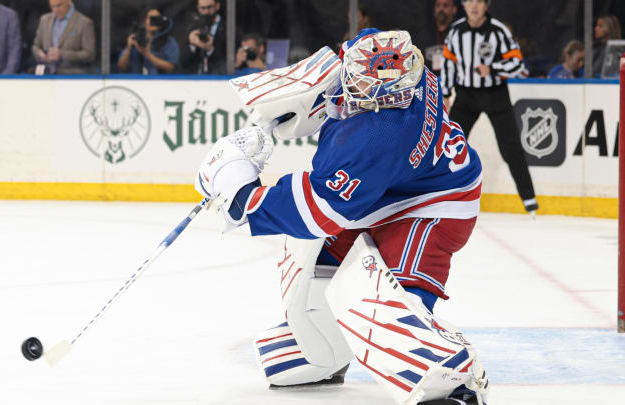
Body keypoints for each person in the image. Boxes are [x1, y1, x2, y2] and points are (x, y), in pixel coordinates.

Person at [195, 29, 489, 405]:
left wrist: (241, 198)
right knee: (311, 260)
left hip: (437, 202)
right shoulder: (395, 59)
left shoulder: (379, 134)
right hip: (395, 185)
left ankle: (450, 381)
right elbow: (334, 66)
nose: (372, 95)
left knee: (386, 302)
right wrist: (277, 114)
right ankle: (322, 348)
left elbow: (316, 210)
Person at [441, 0, 538, 214]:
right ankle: (440, 195)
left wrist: (493, 68)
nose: (474, 6)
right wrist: (446, 93)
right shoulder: (456, 31)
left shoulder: (498, 31)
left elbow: (518, 64)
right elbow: (448, 63)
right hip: (466, 95)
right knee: (449, 145)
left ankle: (529, 199)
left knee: (510, 147)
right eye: (470, 1)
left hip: (495, 95)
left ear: (486, 6)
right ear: (464, 6)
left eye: (479, 2)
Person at [32, 0, 95, 74]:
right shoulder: (44, 20)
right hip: (47, 75)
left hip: (72, 76)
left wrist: (62, 54)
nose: (55, 10)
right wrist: (40, 54)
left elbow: (89, 54)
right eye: (52, 6)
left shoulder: (84, 23)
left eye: (59, 5)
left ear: (68, 1)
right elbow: (36, 46)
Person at [117, 6, 179, 75]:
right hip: (135, 83)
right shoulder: (135, 38)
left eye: (156, 19)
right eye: (152, 18)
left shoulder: (168, 41)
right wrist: (128, 49)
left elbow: (171, 68)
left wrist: (147, 54)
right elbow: (121, 67)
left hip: (159, 83)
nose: (154, 21)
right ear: (145, 21)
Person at [181, 0, 226, 74]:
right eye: (203, 8)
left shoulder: (229, 29)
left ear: (217, 6)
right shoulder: (191, 28)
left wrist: (210, 49)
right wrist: (192, 45)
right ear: (198, 8)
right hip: (195, 79)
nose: (206, 12)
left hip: (219, 80)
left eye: (210, 7)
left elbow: (229, 62)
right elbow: (182, 63)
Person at [423, 0, 458, 75]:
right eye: (438, 6)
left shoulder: (459, 34)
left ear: (454, 9)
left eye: (445, 5)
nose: (441, 9)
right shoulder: (424, 34)